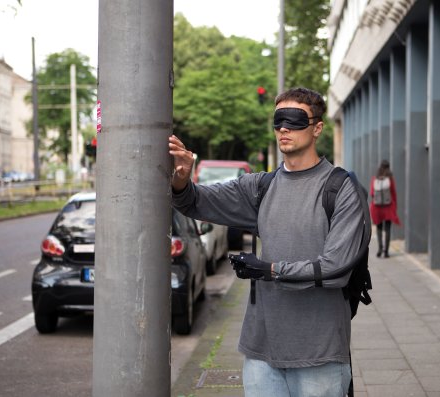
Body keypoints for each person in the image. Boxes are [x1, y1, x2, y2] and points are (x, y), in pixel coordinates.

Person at [169, 87, 366, 397]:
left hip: (320, 355)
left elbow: (336, 268)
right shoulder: (260, 187)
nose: (284, 128)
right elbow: (196, 201)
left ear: (317, 128)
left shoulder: (341, 189)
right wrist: (181, 178)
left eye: (295, 120)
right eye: (278, 121)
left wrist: (271, 270)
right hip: (262, 353)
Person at [369, 159, 401, 258]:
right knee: (387, 229)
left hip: (377, 207)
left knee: (379, 228)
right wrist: (395, 205)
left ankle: (379, 249)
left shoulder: (375, 178)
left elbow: (372, 193)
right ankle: (386, 251)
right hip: (388, 207)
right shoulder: (390, 178)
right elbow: (393, 193)